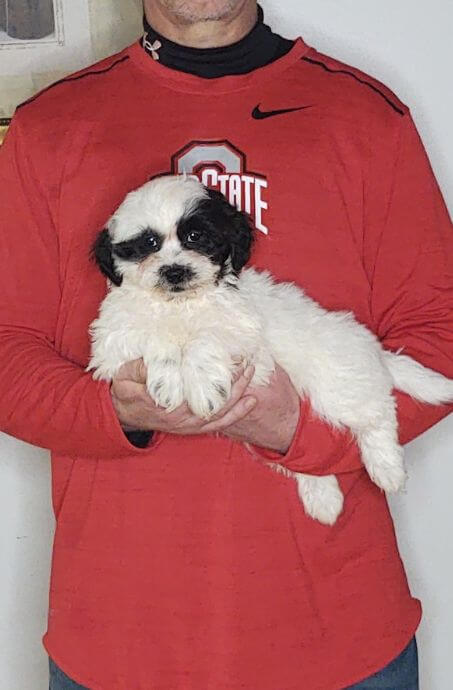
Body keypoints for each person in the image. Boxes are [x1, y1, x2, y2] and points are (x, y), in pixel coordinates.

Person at [0, 1, 452, 688]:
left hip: (338, 635)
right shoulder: (48, 128)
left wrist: (301, 429)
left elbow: (440, 336)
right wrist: (117, 412)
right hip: (120, 639)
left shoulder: (365, 115)